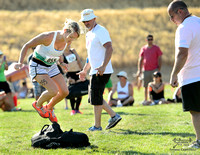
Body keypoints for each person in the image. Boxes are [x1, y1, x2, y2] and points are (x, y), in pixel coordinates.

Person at [14, 19, 80, 123]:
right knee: (53, 91)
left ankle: (49, 108)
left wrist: (62, 63)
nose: (71, 41)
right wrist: (20, 62)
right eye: (70, 37)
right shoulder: (48, 37)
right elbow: (26, 45)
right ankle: (38, 104)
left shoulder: (66, 41)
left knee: (64, 92)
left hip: (51, 66)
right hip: (38, 66)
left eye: (74, 39)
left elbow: (58, 53)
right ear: (65, 30)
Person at [78, 9, 122, 131]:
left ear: (94, 19)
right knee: (94, 97)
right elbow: (90, 56)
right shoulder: (89, 34)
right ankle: (113, 116)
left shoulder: (101, 31)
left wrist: (103, 66)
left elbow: (109, 48)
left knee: (95, 97)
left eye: (88, 20)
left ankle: (98, 125)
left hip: (102, 70)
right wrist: (84, 70)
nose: (86, 23)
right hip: (95, 70)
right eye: (84, 21)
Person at [168, 0, 200, 148]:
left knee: (195, 111)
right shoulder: (198, 21)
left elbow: (182, 54)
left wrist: (174, 74)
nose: (171, 20)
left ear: (180, 11)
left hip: (192, 75)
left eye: (171, 16)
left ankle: (199, 141)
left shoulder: (184, 27)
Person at [136, 34, 163, 105]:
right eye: (148, 39)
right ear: (146, 40)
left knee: (156, 84)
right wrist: (139, 70)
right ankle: (146, 99)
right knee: (145, 86)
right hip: (145, 70)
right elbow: (140, 59)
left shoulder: (156, 48)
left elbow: (160, 58)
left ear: (153, 40)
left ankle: (155, 99)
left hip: (154, 69)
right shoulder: (143, 48)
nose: (150, 41)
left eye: (151, 39)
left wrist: (159, 68)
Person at [62, 42, 84, 115]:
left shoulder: (73, 50)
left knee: (79, 92)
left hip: (78, 72)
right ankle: (73, 110)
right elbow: (62, 67)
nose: (69, 45)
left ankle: (77, 109)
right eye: (67, 44)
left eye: (69, 44)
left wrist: (82, 71)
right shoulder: (62, 54)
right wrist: (67, 77)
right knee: (72, 92)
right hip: (70, 73)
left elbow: (79, 61)